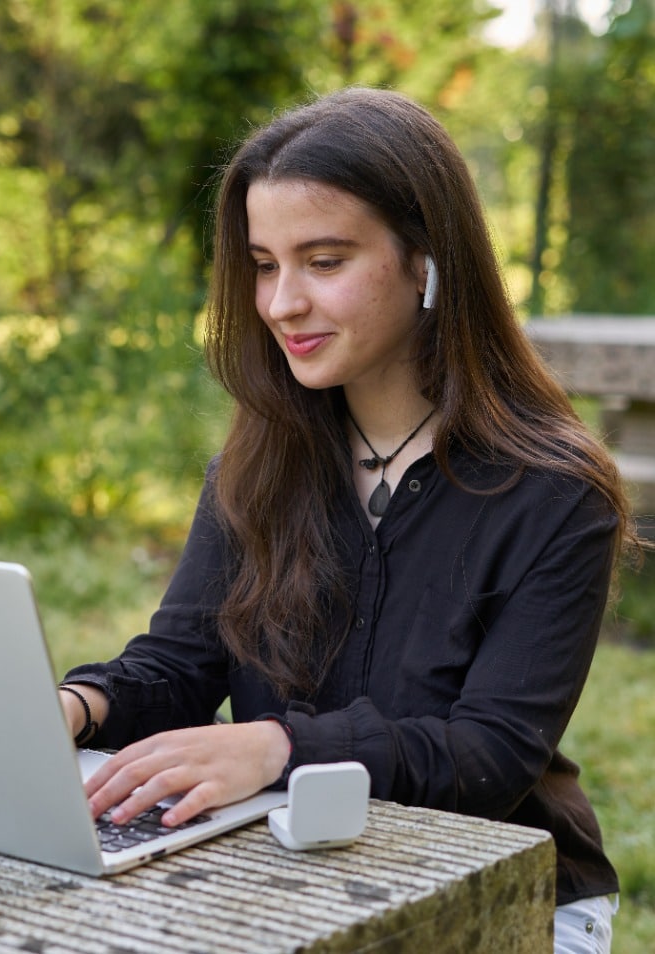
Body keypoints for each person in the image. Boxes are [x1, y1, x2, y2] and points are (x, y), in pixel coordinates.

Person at [56, 87, 638, 953]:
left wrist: (274, 747)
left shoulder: (555, 493)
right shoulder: (260, 462)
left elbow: (490, 758)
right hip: (291, 878)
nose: (281, 303)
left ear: (426, 260)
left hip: (509, 896)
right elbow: (180, 663)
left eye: (323, 261)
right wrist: (76, 706)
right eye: (263, 264)